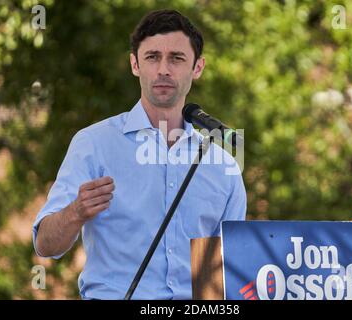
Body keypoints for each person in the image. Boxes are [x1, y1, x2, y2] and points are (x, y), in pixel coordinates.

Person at [32, 9, 246, 300]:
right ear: (135, 64)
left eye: (177, 58)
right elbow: (45, 244)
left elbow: (231, 275)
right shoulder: (94, 144)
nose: (163, 70)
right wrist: (76, 212)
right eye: (152, 57)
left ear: (197, 67)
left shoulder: (223, 167)